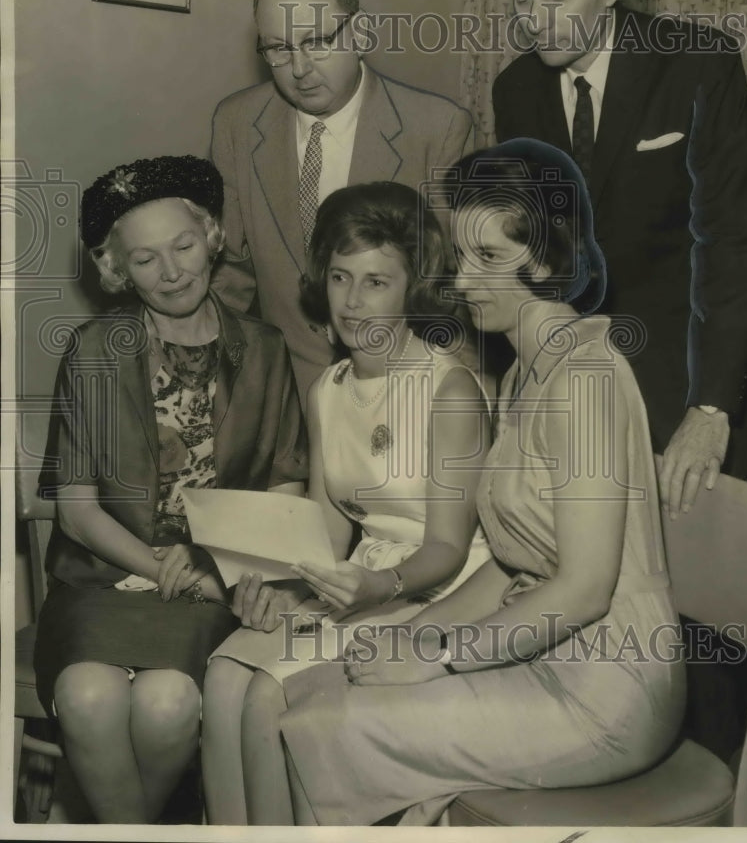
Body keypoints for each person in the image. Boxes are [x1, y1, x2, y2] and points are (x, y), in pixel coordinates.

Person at [277, 139, 686, 827]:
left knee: (325, 726)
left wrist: (434, 656)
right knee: (307, 691)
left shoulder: (583, 380)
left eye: (490, 258)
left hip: (605, 683)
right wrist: (418, 634)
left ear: (549, 259)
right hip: (533, 644)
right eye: (461, 257)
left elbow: (583, 591)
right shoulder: (525, 373)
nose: (463, 280)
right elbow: (511, 560)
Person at [201, 181, 493, 825]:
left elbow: (447, 548)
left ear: (414, 288)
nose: (353, 303)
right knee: (222, 679)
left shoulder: (450, 391)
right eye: (340, 277)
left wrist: (374, 585)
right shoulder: (328, 390)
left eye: (376, 282)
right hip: (360, 581)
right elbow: (327, 539)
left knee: (264, 698)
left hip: (440, 591)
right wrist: (281, 589)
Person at [34, 156, 307, 824]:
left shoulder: (265, 349)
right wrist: (163, 567)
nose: (173, 270)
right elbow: (76, 511)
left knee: (169, 705)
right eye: (146, 259)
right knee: (90, 698)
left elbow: (288, 484)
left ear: (212, 236)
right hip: (100, 581)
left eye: (184, 245)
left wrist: (212, 561)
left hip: (210, 583)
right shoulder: (94, 349)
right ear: (116, 269)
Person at [492, 0, 747, 516]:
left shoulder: (698, 65)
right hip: (581, 394)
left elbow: (738, 244)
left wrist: (710, 410)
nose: (536, 21)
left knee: (705, 593)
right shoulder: (514, 90)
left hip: (697, 380)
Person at [210, 0, 474, 407]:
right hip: (280, 398)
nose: (299, 68)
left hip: (404, 391)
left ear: (362, 33)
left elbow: (456, 287)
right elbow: (229, 273)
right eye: (279, 48)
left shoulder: (437, 129)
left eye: (317, 42)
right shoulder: (236, 122)